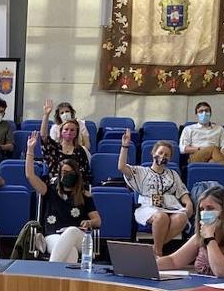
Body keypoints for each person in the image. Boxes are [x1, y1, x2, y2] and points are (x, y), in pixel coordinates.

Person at [26, 132, 100, 264]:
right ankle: (63, 281)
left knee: (72, 231)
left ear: (76, 175)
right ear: (59, 174)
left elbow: (97, 221)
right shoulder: (49, 190)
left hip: (79, 236)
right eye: (64, 172)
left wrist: (89, 223)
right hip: (53, 235)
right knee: (70, 253)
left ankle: (49, 273)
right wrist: (30, 150)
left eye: (70, 173)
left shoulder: (84, 194)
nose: (67, 175)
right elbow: (30, 176)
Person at [157, 186, 224, 282]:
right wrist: (148, 265)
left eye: (210, 208)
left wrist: (210, 238)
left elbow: (222, 272)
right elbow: (174, 261)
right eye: (202, 209)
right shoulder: (201, 235)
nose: (204, 213)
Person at [118, 132, 193, 255]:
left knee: (182, 217)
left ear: (170, 158)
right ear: (153, 153)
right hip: (148, 207)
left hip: (170, 207)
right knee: (161, 216)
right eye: (160, 153)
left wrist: (188, 203)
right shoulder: (141, 171)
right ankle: (158, 252)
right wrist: (125, 146)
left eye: (166, 155)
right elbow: (121, 167)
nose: (163, 156)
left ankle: (154, 249)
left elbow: (182, 193)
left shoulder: (173, 174)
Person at [39, 99, 91, 182]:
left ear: (76, 133)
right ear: (61, 132)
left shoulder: (80, 151)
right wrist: (46, 115)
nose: (69, 132)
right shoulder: (54, 148)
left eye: (72, 130)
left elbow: (85, 174)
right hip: (55, 186)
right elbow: (43, 136)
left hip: (74, 187)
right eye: (66, 129)